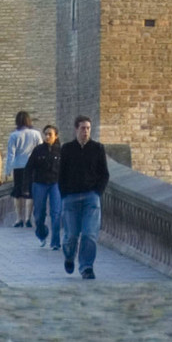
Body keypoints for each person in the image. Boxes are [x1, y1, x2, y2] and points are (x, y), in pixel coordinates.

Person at [57, 114, 109, 278]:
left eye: (88, 128)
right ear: (76, 129)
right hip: (71, 197)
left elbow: (104, 174)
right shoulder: (67, 149)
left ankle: (86, 267)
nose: (85, 132)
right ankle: (69, 255)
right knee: (71, 235)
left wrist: (97, 192)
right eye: (82, 128)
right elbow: (61, 174)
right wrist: (64, 193)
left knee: (89, 234)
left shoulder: (97, 148)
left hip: (90, 197)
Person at [27, 123, 62, 247]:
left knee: (56, 212)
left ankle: (55, 242)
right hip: (39, 183)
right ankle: (42, 233)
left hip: (55, 183)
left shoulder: (60, 150)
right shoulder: (38, 150)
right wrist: (27, 186)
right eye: (46, 134)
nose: (47, 137)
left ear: (56, 136)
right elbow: (29, 168)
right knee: (39, 213)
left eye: (50, 134)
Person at [3, 110, 40, 227]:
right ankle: (28, 217)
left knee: (17, 192)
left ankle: (19, 218)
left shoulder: (14, 135)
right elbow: (40, 149)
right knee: (30, 193)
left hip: (18, 166)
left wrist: (7, 170)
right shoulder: (36, 134)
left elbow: (11, 154)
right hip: (32, 165)